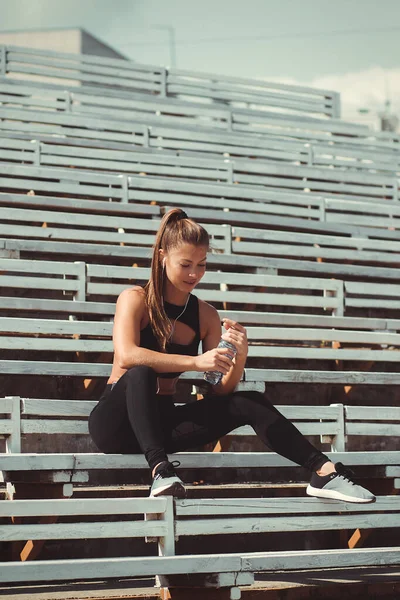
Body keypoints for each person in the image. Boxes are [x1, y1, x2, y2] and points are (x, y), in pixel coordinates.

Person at [88, 208, 375, 504]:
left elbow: (220, 391)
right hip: (116, 424)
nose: (194, 274)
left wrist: (239, 357)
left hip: (162, 423)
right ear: (162, 256)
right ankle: (161, 472)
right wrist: (195, 362)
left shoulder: (206, 315)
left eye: (201, 265)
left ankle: (323, 472)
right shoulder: (134, 299)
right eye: (186, 264)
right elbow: (126, 356)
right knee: (141, 372)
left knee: (246, 401)